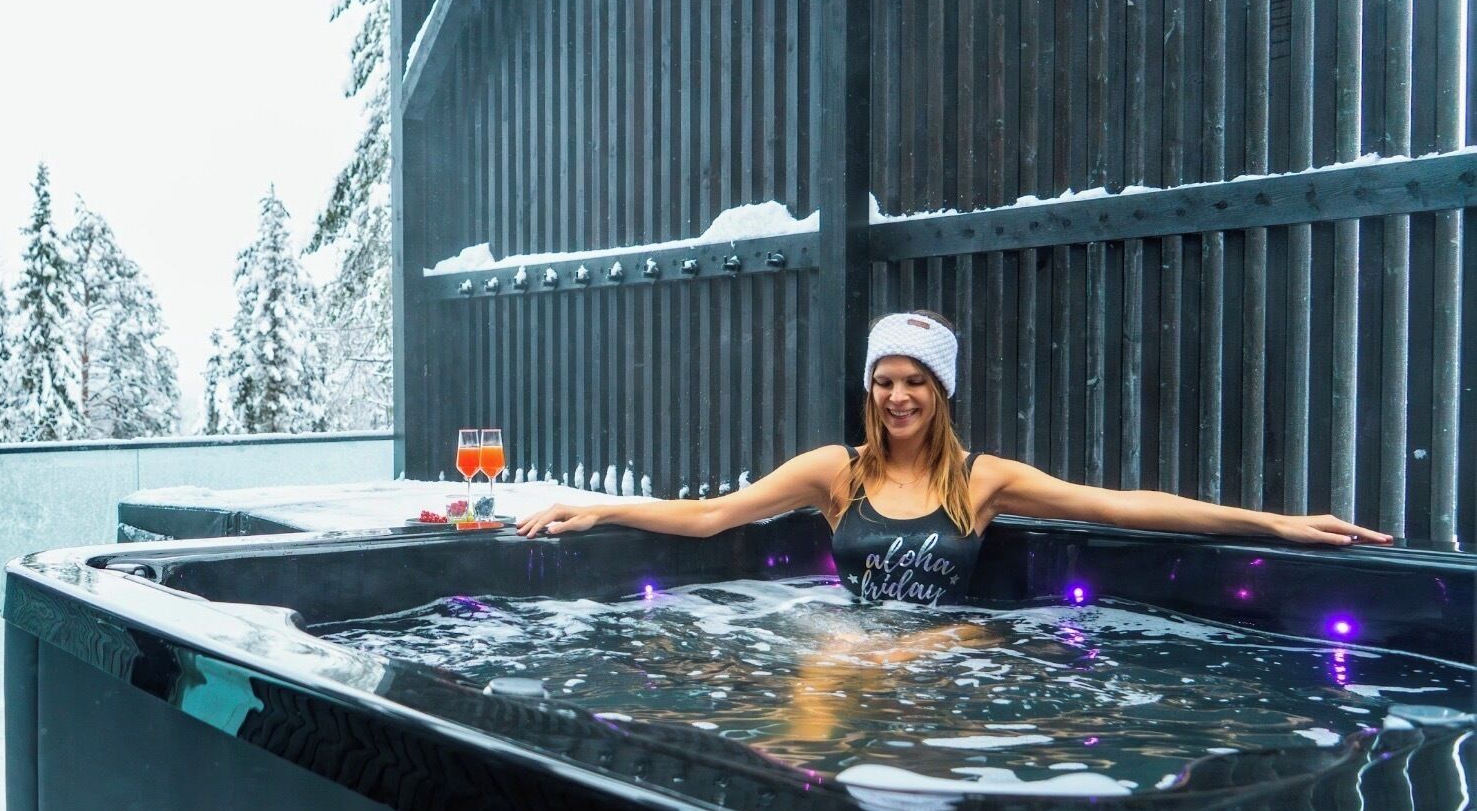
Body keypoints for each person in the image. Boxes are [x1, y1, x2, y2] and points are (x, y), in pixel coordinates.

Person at [516, 310, 1390, 606]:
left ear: (941, 394)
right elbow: (711, 515)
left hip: (949, 654)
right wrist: (595, 509)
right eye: (886, 381)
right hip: (850, 646)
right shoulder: (836, 472)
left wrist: (1274, 521)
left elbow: (1122, 506)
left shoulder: (983, 483)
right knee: (805, 732)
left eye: (917, 383)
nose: (899, 397)